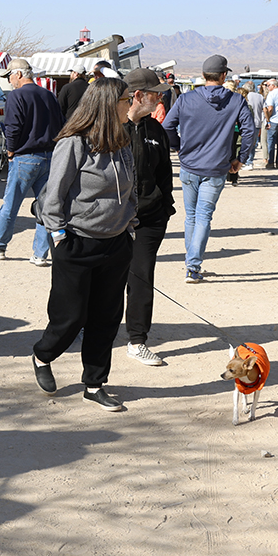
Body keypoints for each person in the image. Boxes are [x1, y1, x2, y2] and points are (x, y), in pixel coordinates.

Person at [31, 77, 137, 412]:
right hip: (77, 243)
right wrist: (59, 236)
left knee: (106, 319)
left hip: (116, 244)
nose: (131, 104)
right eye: (126, 99)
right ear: (108, 104)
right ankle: (42, 355)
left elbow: (131, 189)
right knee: (70, 316)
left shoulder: (122, 140)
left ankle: (94, 384)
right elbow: (53, 194)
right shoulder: (74, 142)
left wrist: (129, 225)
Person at [162, 55, 255, 283]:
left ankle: (191, 264)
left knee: (191, 216)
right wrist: (240, 159)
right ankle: (192, 266)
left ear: (204, 76)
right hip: (216, 167)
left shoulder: (186, 99)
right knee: (203, 216)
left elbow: (167, 126)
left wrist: (178, 147)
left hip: (190, 165)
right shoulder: (236, 101)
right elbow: (250, 131)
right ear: (224, 76)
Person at [0, 58, 63, 266]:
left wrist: (10, 151)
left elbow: (13, 126)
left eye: (10, 76)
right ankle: (41, 254)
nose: (9, 81)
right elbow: (61, 124)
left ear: (20, 74)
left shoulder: (17, 95)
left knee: (11, 204)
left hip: (25, 157)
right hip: (49, 156)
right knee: (45, 207)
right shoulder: (49, 96)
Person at [121, 69, 175, 367]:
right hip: (115, 220)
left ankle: (137, 340)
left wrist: (164, 207)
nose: (161, 97)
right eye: (156, 93)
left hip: (150, 219)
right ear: (139, 96)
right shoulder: (113, 128)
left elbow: (164, 173)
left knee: (142, 276)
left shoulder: (156, 131)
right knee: (105, 277)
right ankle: (88, 325)